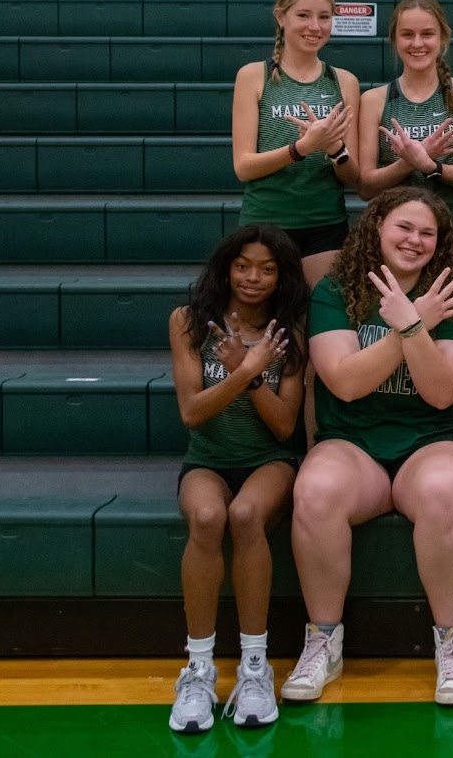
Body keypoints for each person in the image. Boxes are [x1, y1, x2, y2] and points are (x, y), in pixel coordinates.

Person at [282, 187, 453, 706]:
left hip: (434, 440)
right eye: (404, 228)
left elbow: (441, 394)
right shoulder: (335, 289)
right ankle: (323, 640)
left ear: (440, 244)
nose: (414, 241)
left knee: (443, 492)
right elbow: (345, 383)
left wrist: (414, 320)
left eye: (427, 233)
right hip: (353, 441)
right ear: (375, 228)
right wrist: (411, 328)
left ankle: (452, 645)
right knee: (315, 491)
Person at [167, 224, 310, 733]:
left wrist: (249, 373)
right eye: (244, 265)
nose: (254, 277)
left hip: (268, 460)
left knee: (246, 515)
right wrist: (242, 372)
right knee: (208, 517)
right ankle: (199, 669)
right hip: (206, 457)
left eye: (268, 269)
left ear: (281, 277)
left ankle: (255, 667)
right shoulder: (188, 322)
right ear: (226, 268)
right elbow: (192, 413)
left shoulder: (289, 332)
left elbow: (285, 426)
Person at [231, 0, 360, 289]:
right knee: (272, 323)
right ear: (281, 17)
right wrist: (300, 149)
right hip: (266, 222)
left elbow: (353, 177)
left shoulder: (344, 81)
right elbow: (243, 167)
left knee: (319, 322)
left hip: (325, 223)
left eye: (324, 17)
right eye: (303, 15)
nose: (314, 27)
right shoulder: (253, 76)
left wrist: (335, 150)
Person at [358, 0, 453, 274]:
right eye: (407, 35)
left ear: (443, 38)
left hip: (449, 227)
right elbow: (365, 186)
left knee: (452, 314)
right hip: (393, 233)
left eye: (427, 34)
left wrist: (430, 166)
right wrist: (409, 162)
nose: (417, 44)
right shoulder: (375, 100)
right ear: (394, 40)